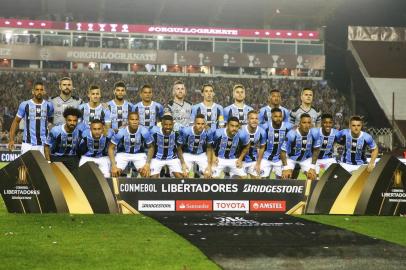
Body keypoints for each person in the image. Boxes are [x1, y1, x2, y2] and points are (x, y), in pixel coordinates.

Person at [8, 81, 54, 156]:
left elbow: (51, 121)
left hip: (44, 145)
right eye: (37, 89)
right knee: (27, 167)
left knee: (43, 167)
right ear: (33, 91)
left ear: (44, 92)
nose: (39, 92)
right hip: (28, 145)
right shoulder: (25, 105)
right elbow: (16, 122)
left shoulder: (49, 106)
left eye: (41, 90)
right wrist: (11, 140)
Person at [108, 112, 153, 178]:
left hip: (139, 154)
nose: (134, 122)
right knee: (115, 172)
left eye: (136, 119)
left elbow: (151, 147)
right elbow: (111, 148)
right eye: (132, 119)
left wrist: (147, 164)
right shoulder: (121, 132)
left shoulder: (144, 131)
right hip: (123, 154)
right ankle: (117, 187)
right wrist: (113, 165)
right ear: (128, 121)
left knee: (146, 172)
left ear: (139, 121)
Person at [281, 113, 320, 180]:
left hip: (306, 159)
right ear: (299, 123)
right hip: (291, 159)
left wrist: (312, 167)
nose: (307, 125)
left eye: (309, 123)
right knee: (286, 177)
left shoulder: (314, 133)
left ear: (311, 124)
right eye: (304, 122)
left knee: (313, 176)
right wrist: (285, 168)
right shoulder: (292, 134)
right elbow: (283, 151)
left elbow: (316, 150)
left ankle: (308, 190)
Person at [44, 107, 82, 171]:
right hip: (56, 157)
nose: (72, 123)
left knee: (74, 178)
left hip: (72, 157)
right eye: (69, 120)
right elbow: (46, 146)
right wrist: (48, 161)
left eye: (74, 120)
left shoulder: (79, 131)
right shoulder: (55, 131)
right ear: (65, 120)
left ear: (77, 121)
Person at [261, 108, 293, 179]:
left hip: (280, 159)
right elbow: (259, 144)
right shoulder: (265, 127)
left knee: (283, 181)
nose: (278, 118)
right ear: (271, 117)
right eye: (275, 116)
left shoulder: (288, 127)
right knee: (263, 181)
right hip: (266, 158)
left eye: (280, 116)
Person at [178, 114, 213, 178]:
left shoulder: (208, 132)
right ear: (194, 123)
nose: (200, 126)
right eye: (198, 123)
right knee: (184, 174)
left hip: (201, 154)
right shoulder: (185, 131)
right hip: (188, 153)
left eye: (202, 124)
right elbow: (179, 147)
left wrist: (209, 165)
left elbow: (209, 148)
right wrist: (183, 163)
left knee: (208, 174)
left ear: (205, 124)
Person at [241, 110, 266, 179]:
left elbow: (262, 148)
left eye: (256, 118)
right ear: (247, 120)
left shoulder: (262, 132)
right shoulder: (240, 130)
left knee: (256, 181)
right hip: (241, 160)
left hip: (253, 160)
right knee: (240, 181)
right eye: (252, 118)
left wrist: (258, 163)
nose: (254, 121)